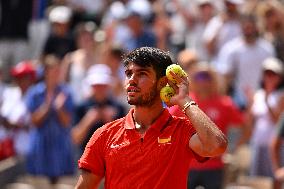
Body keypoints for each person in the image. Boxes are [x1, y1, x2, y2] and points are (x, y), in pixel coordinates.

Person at [75, 47, 227, 188]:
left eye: (142, 74)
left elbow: (216, 146)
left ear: (162, 83)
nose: (132, 80)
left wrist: (184, 101)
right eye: (129, 74)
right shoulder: (104, 134)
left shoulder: (182, 130)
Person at [169, 63, 248, 189]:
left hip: (214, 166)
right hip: (187, 165)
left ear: (214, 80)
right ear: (192, 79)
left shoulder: (225, 103)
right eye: (199, 76)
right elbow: (164, 124)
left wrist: (233, 149)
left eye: (207, 76)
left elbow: (245, 128)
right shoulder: (183, 100)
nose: (203, 81)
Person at [25, 55, 75, 184]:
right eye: (54, 71)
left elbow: (67, 122)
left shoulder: (66, 92)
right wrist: (48, 105)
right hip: (40, 147)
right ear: (46, 72)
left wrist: (59, 109)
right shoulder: (34, 93)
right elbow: (34, 121)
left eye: (58, 71)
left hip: (60, 148)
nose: (57, 74)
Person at [217, 14, 275, 109]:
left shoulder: (267, 49)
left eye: (251, 27)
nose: (249, 30)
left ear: (256, 27)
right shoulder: (231, 49)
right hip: (238, 98)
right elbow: (225, 76)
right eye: (246, 27)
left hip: (263, 99)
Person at [71, 64, 126, 153]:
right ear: (91, 86)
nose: (100, 89)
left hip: (112, 160)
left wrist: (110, 121)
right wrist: (88, 121)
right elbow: (75, 139)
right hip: (86, 160)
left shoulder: (118, 108)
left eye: (103, 85)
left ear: (108, 85)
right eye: (96, 85)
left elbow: (124, 141)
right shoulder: (81, 107)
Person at [249, 57, 284, 179]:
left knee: (274, 179)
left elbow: (278, 121)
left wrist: (267, 102)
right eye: (267, 74)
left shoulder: (281, 96)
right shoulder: (258, 95)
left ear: (279, 77)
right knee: (257, 180)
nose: (269, 77)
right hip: (257, 143)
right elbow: (251, 121)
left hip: (275, 148)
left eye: (273, 74)